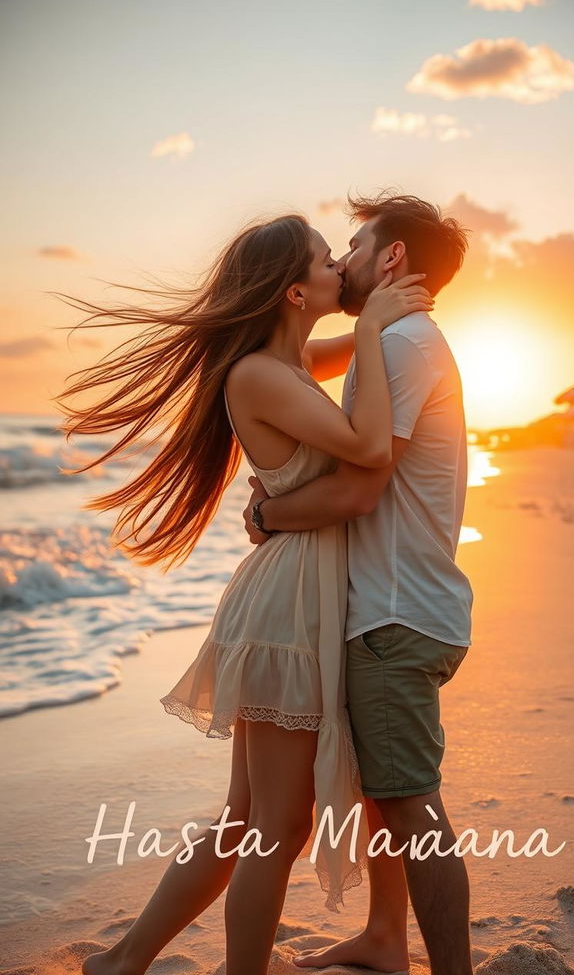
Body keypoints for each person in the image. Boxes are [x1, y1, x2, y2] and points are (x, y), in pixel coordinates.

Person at [53, 212, 432, 975]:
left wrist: (382, 316)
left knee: (244, 820)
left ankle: (124, 960)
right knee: (277, 825)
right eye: (328, 261)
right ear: (295, 292)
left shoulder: (288, 363)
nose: (341, 269)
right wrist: (374, 327)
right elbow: (363, 446)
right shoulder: (260, 373)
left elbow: (360, 358)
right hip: (288, 607)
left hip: (291, 594)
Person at [243, 192, 474, 975]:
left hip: (397, 612)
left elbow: (358, 489)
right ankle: (383, 936)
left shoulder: (404, 345)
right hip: (398, 607)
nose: (341, 261)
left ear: (393, 259)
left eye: (353, 245)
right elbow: (287, 369)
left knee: (410, 803)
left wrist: (272, 513)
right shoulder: (395, 338)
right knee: (387, 792)